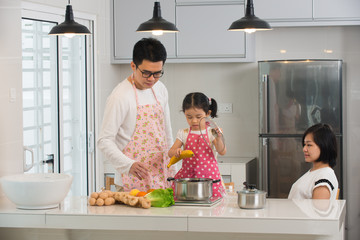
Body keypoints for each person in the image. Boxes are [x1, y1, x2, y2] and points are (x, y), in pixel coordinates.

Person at [97, 38, 175, 192]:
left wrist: (174, 167)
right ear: (133, 65)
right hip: (132, 181)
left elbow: (167, 132)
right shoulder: (120, 96)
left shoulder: (160, 89)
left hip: (162, 177)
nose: (152, 79)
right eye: (146, 73)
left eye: (157, 73)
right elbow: (104, 140)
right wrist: (128, 164)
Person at [168, 92, 226, 199]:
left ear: (207, 113)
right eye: (189, 117)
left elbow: (222, 151)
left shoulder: (211, 132)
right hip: (188, 179)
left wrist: (219, 137)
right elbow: (170, 153)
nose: (194, 121)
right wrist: (176, 152)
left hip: (209, 179)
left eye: (199, 117)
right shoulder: (183, 133)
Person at [288, 123, 339, 200]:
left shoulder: (324, 177)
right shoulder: (316, 172)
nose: (304, 149)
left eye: (309, 145)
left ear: (324, 146)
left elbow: (318, 211)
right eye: (304, 144)